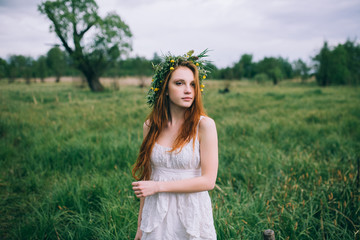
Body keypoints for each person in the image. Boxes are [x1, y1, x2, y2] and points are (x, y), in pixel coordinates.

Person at [132, 50, 218, 240]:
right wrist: (140, 228)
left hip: (191, 214)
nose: (188, 90)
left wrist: (158, 187)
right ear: (165, 88)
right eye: (179, 83)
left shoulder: (204, 125)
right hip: (157, 215)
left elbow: (209, 181)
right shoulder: (150, 127)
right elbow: (148, 180)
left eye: (193, 85)